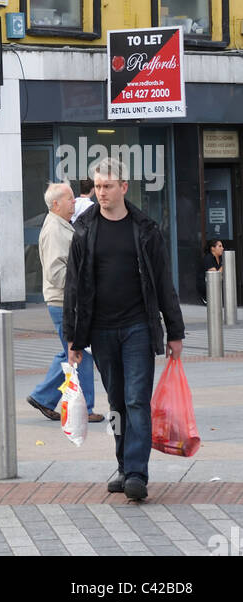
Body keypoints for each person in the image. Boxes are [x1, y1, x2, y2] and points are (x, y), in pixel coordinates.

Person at [64, 157, 184, 502]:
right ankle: (122, 464)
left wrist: (174, 331)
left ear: (123, 188)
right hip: (100, 329)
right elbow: (74, 284)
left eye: (108, 186)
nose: (101, 193)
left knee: (136, 400)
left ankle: (136, 473)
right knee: (116, 402)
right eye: (98, 186)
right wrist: (73, 336)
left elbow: (163, 283)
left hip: (137, 328)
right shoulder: (84, 229)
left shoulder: (144, 228)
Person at [26, 183, 103, 425]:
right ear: (56, 204)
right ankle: (85, 408)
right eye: (70, 199)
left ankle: (43, 397)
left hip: (67, 300)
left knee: (69, 351)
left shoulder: (61, 225)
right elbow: (56, 273)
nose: (74, 203)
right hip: (63, 302)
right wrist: (85, 281)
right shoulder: (54, 230)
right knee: (81, 353)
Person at [197, 239, 224, 304]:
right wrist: (224, 265)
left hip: (216, 289)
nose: (222, 248)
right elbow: (215, 276)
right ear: (213, 248)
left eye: (222, 246)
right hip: (206, 288)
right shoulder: (208, 258)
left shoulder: (221, 259)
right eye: (219, 246)